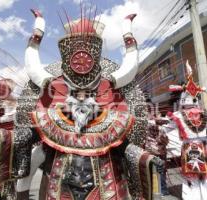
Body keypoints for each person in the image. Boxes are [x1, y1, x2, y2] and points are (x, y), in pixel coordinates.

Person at [11, 9, 163, 200]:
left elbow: (127, 149)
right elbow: (30, 149)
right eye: (75, 91)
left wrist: (146, 159)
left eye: (89, 91)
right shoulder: (50, 119)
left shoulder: (114, 122)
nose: (81, 96)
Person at [163, 61, 207, 200]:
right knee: (206, 174)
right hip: (203, 146)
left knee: (190, 176)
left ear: (183, 101)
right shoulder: (206, 113)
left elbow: (166, 127)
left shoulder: (178, 115)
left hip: (188, 147)